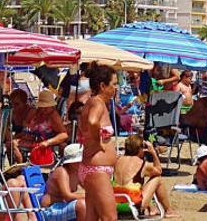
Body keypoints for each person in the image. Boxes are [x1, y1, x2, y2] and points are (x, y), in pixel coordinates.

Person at [80, 63, 119, 221]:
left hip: (93, 168)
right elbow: (92, 121)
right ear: (103, 85)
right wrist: (97, 141)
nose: (116, 88)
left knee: (93, 217)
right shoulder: (97, 103)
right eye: (114, 84)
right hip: (97, 169)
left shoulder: (93, 102)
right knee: (110, 218)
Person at [114, 135, 179, 218]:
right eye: (143, 147)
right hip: (132, 206)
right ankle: (169, 211)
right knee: (157, 179)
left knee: (135, 185)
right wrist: (153, 152)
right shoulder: (141, 163)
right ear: (139, 149)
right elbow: (159, 171)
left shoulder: (117, 160)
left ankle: (151, 209)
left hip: (115, 204)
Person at [14, 89, 69, 163]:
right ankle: (18, 167)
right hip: (32, 140)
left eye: (46, 107)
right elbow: (27, 127)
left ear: (51, 106)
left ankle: (21, 168)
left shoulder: (54, 116)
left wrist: (48, 142)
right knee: (10, 144)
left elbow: (64, 134)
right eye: (42, 106)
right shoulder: (36, 112)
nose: (43, 109)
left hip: (44, 143)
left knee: (13, 144)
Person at [42, 144, 87, 221]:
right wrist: (89, 195)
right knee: (82, 205)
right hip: (51, 209)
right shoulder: (61, 172)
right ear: (72, 162)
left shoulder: (76, 171)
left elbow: (88, 188)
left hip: (63, 206)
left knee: (95, 203)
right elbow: (67, 196)